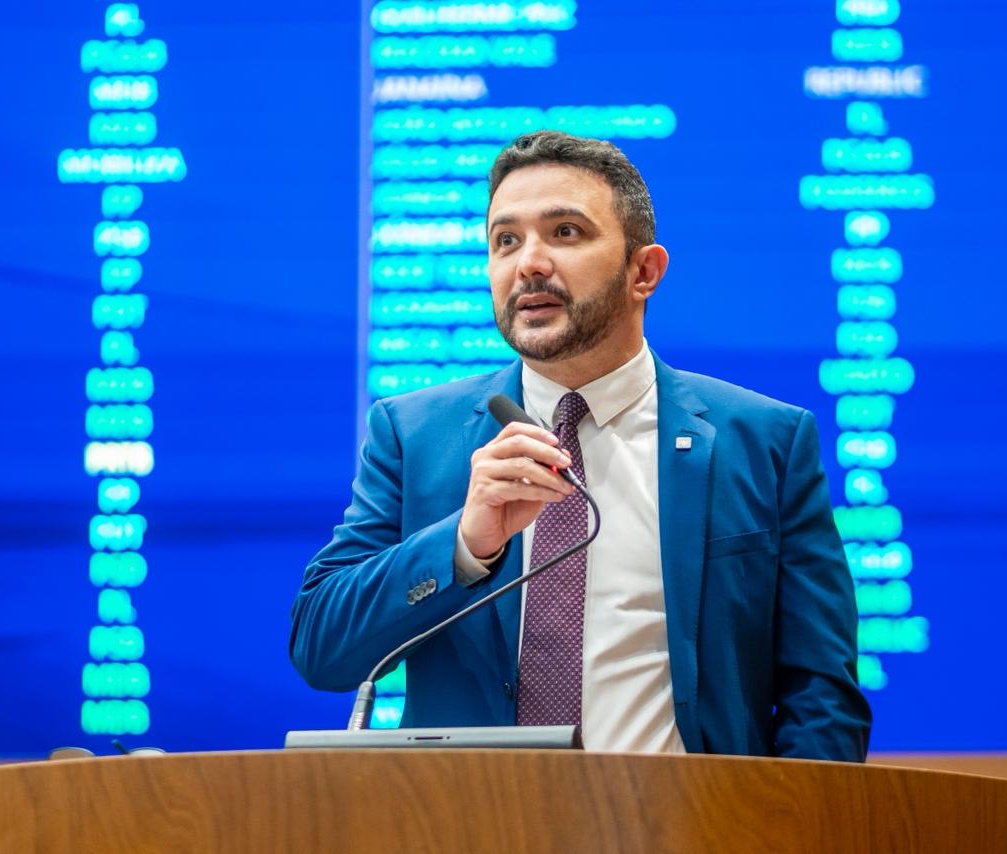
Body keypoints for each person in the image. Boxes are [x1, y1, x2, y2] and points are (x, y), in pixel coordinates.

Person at [290, 130, 871, 759]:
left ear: (643, 271)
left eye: (564, 232)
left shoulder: (763, 440)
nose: (529, 263)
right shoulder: (412, 433)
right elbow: (322, 648)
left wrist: (777, 820)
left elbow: (822, 695)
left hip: (689, 815)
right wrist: (464, 543)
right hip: (473, 814)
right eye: (505, 241)